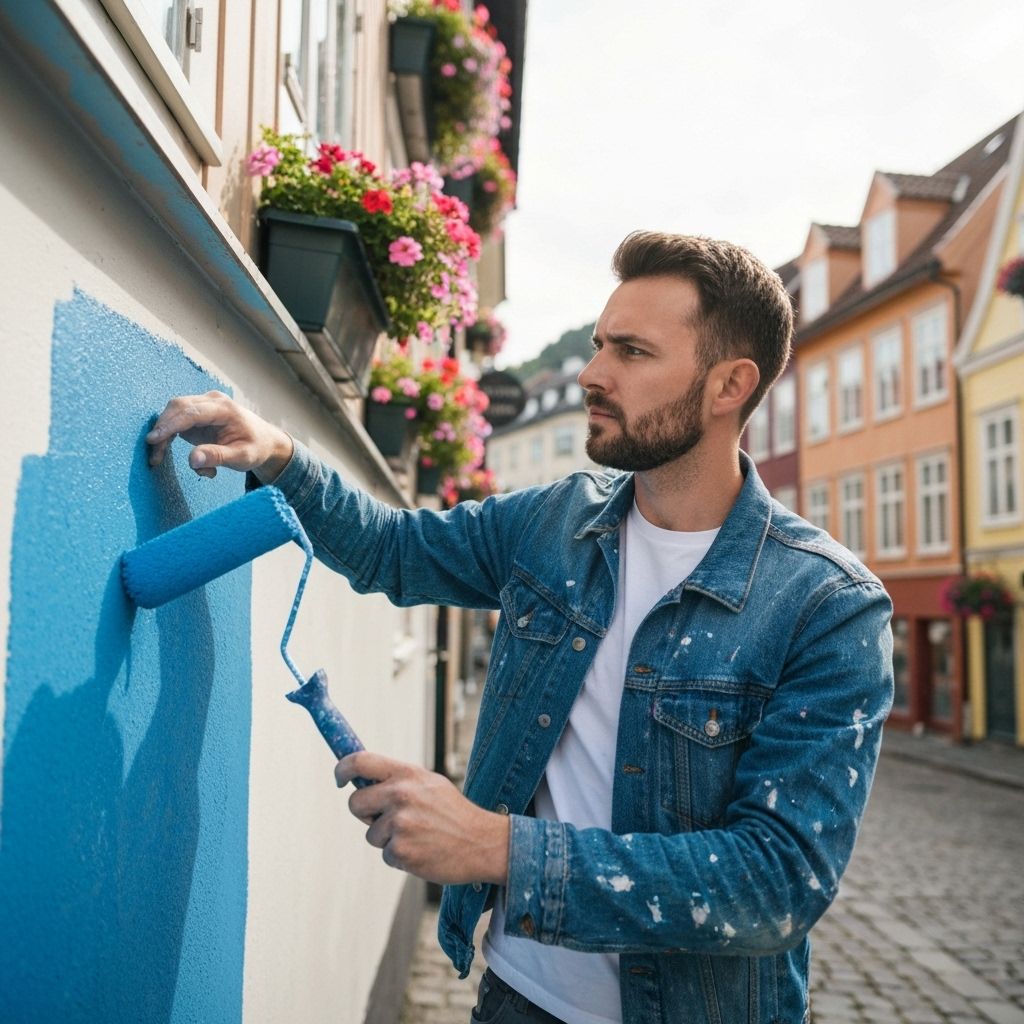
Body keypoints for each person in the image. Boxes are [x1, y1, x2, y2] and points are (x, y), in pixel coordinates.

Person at [146, 232, 893, 1024]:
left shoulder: (828, 605)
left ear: (729, 386)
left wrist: (495, 847)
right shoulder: (556, 521)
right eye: (599, 345)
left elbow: (774, 885)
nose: (593, 376)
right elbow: (395, 549)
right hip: (515, 1000)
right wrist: (280, 454)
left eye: (632, 353)